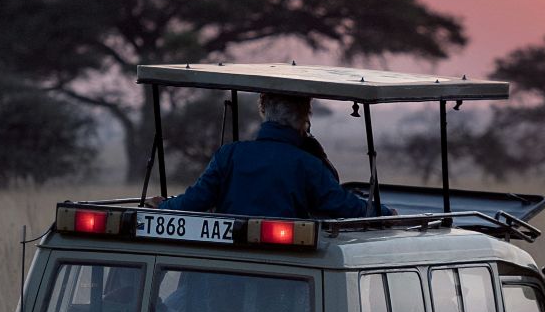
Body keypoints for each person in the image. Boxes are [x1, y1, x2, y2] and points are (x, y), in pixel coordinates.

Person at [148, 92, 390, 219]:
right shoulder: (307, 164)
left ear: (263, 111)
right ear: (304, 117)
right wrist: (385, 214)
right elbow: (340, 204)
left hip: (229, 266)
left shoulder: (229, 154)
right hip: (289, 269)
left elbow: (196, 199)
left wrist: (165, 206)